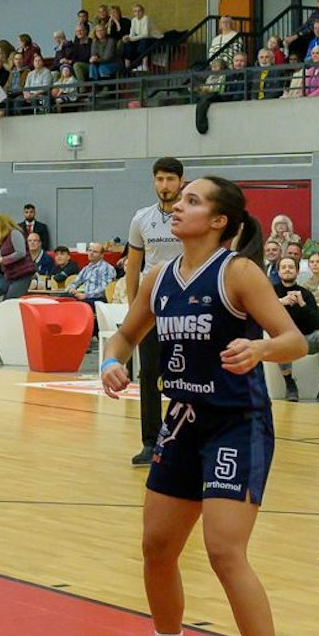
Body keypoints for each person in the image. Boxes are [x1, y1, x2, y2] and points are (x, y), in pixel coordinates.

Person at [99, 175, 311, 636]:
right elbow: (124, 337)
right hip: (183, 422)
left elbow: (295, 339)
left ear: (218, 221)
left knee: (223, 551)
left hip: (236, 425)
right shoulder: (157, 278)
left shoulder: (237, 272)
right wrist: (111, 363)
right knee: (156, 547)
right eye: (178, 198)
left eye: (192, 200)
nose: (178, 205)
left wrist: (261, 346)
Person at [126, 157, 185, 466]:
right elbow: (133, 265)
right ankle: (151, 442)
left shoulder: (192, 216)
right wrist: (134, 306)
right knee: (149, 374)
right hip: (152, 307)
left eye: (170, 180)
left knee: (186, 374)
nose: (165, 185)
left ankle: (183, 440)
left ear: (181, 181)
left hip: (186, 307)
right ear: (154, 181)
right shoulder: (141, 219)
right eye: (160, 179)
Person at [272, 257, 319, 403]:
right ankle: (290, 385)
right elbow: (262, 313)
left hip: (304, 340)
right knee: (282, 340)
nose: (287, 270)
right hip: (282, 340)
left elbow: (316, 324)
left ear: (297, 271)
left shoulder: (306, 294)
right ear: (278, 272)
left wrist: (302, 304)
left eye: (291, 267)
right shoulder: (272, 292)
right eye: (283, 267)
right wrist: (280, 302)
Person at [0, 213, 34, 297]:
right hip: (11, 276)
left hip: (22, 274)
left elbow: (21, 252)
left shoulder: (14, 233)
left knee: (11, 299)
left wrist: (2, 260)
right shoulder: (2, 240)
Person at [67, 241, 116, 306]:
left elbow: (104, 289)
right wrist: (72, 289)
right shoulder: (86, 268)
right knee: (64, 298)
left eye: (95, 252)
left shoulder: (107, 268)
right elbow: (75, 283)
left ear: (102, 255)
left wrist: (86, 295)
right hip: (85, 298)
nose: (91, 253)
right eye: (89, 250)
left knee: (76, 305)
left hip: (98, 300)